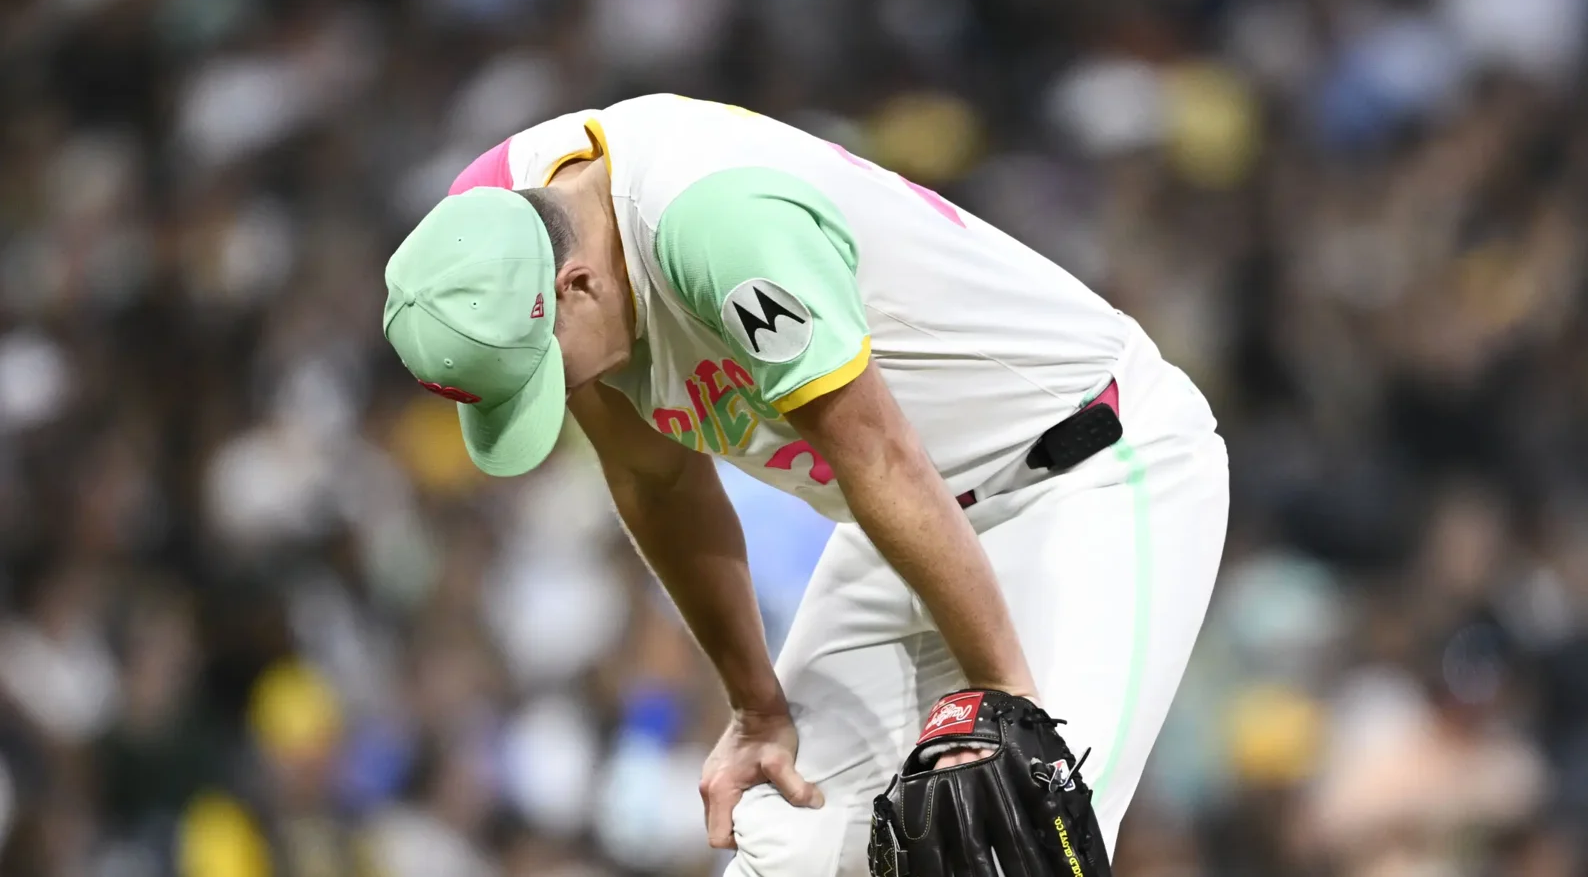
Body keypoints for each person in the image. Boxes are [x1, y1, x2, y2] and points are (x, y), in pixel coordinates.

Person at [380, 94, 1229, 875]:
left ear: (578, 285)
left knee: (1013, 842)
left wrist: (1006, 699)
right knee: (784, 854)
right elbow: (655, 476)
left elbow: (879, 455)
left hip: (1084, 474)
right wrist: (756, 707)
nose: (560, 394)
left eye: (545, 373)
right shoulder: (487, 244)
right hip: (899, 523)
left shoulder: (715, 224)